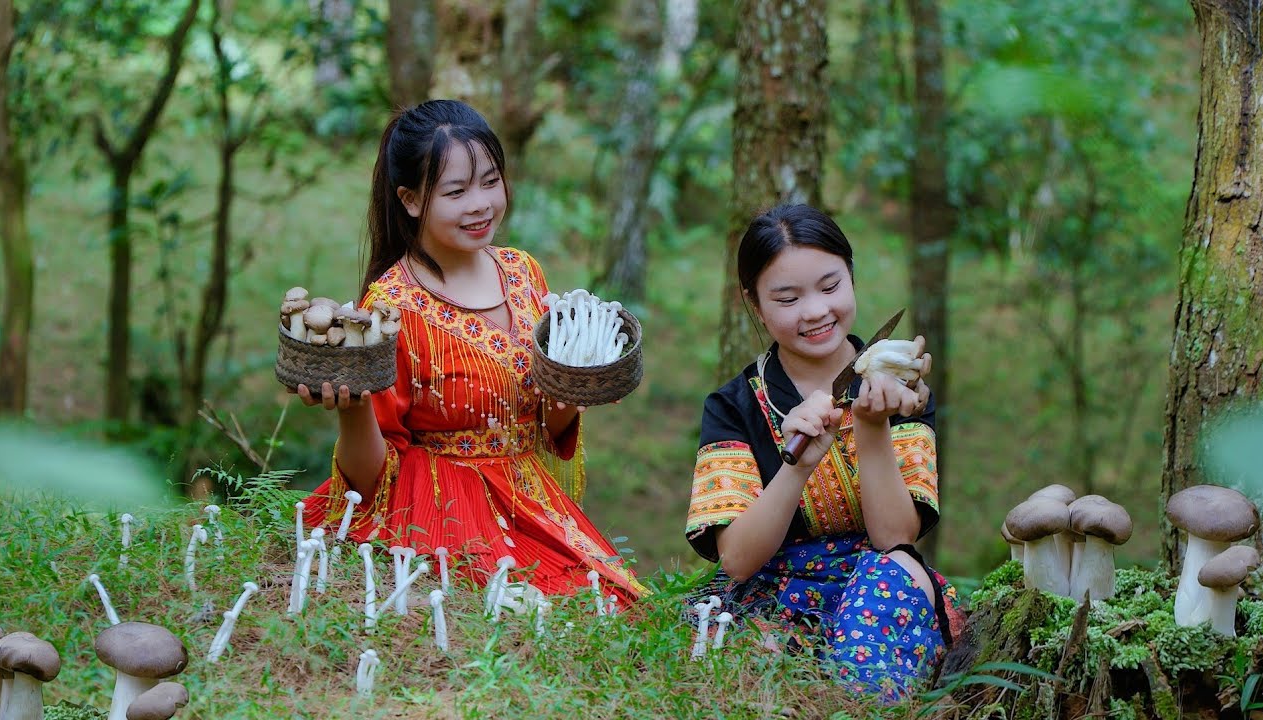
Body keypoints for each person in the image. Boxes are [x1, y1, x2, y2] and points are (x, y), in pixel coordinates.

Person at [296, 99, 644, 607]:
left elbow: (548, 427)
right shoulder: (394, 307)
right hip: (442, 506)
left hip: (531, 497)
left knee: (613, 605)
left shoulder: (523, 272)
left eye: (490, 182)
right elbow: (375, 474)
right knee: (532, 611)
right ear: (411, 200)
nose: (480, 204)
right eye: (456, 191)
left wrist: (573, 381)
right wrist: (353, 409)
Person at [684, 204, 961, 699]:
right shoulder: (735, 406)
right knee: (742, 661)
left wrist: (873, 426)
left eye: (830, 287)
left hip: (877, 579)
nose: (814, 311)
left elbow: (895, 537)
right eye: (787, 298)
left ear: (851, 278)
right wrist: (796, 467)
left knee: (879, 602)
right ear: (754, 302)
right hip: (769, 584)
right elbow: (738, 560)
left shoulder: (901, 387)